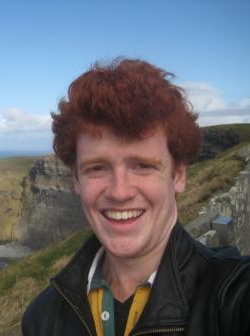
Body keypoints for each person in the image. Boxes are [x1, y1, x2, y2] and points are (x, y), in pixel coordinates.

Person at [22, 58, 250, 336]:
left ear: (178, 175)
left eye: (142, 165)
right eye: (97, 168)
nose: (120, 191)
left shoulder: (232, 299)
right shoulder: (42, 319)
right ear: (76, 180)